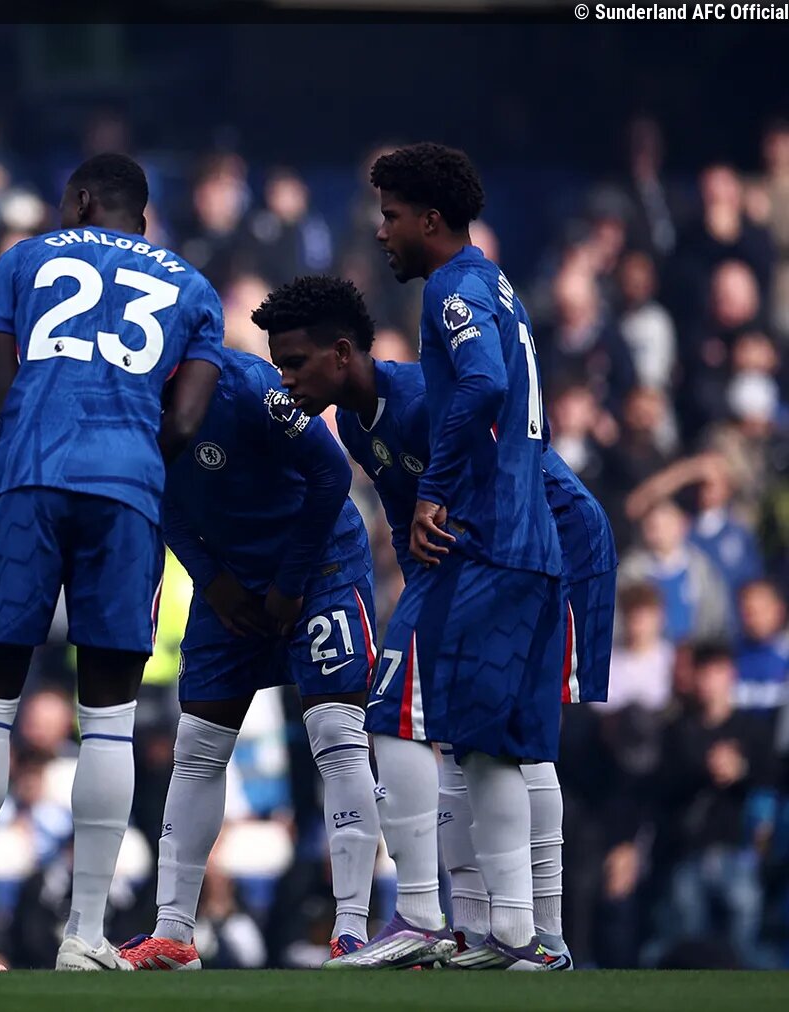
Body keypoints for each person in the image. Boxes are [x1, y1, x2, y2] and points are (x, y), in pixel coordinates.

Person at [0, 152, 225, 973]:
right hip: (128, 490)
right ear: (141, 217)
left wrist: (39, 442)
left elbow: (5, 386)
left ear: (81, 199)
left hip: (29, 477)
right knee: (110, 715)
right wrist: (127, 457)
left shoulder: (23, 259)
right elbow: (185, 422)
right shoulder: (194, 288)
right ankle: (86, 935)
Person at [267, 274, 620, 970]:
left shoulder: (422, 402)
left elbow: (506, 484)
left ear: (342, 353)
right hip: (491, 558)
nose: (285, 379)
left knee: (492, 734)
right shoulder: (354, 424)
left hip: (549, 541)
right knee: (472, 736)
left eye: (296, 362)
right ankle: (491, 930)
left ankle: (505, 928)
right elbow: (410, 529)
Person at [313, 143, 566, 970]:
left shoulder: (452, 288)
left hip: (482, 537)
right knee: (491, 743)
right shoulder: (494, 281)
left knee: (394, 709)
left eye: (390, 216)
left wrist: (434, 491)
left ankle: (420, 917)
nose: (380, 231)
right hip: (520, 535)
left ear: (429, 219)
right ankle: (518, 935)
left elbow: (485, 384)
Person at [118, 330, 380, 970]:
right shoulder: (127, 395)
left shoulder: (254, 388)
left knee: (336, 733)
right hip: (231, 579)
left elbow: (331, 473)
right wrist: (212, 579)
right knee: (197, 746)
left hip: (319, 569)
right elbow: (156, 494)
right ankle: (174, 933)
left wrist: (290, 582)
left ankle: (351, 929)